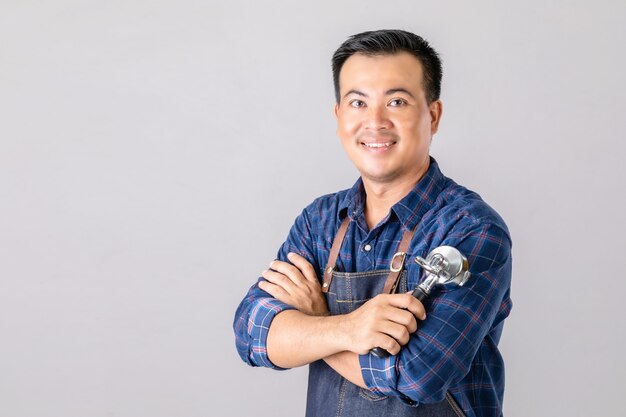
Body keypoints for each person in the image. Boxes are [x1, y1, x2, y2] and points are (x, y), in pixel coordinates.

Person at [233, 29, 512, 417]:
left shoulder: (471, 229)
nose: (375, 121)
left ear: (433, 115)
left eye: (396, 101)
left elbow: (420, 375)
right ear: (338, 116)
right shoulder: (320, 222)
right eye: (358, 103)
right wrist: (347, 329)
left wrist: (315, 323)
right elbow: (252, 334)